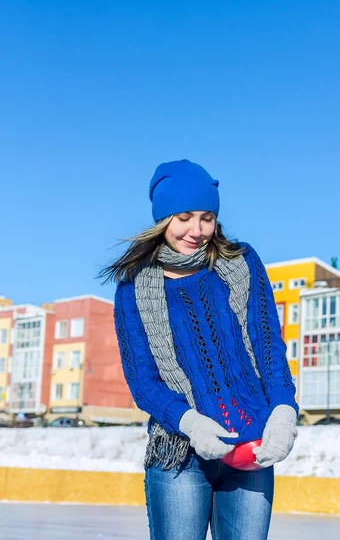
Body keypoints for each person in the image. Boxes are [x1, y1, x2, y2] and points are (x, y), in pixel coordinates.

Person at [101, 159, 298, 540]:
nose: (197, 230)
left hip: (250, 442)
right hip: (179, 451)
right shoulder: (134, 286)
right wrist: (190, 422)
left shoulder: (240, 263)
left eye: (207, 217)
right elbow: (143, 380)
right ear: (163, 220)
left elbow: (268, 344)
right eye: (185, 217)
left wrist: (284, 408)